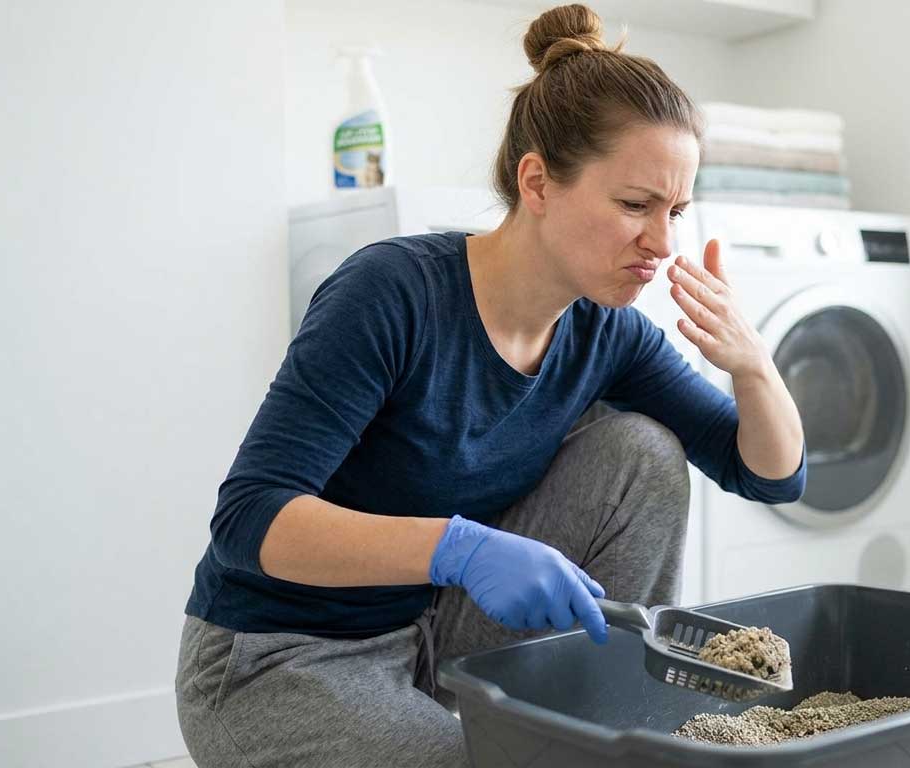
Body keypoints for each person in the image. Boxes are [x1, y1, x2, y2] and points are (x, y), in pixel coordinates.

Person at [174, 4, 804, 766]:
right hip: (275, 655)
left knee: (644, 454)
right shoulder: (392, 294)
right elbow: (248, 519)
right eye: (635, 205)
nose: (662, 242)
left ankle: (603, 725)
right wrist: (458, 548)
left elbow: (769, 475)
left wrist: (752, 363)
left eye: (675, 211)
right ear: (537, 182)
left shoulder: (605, 333)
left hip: (429, 634)